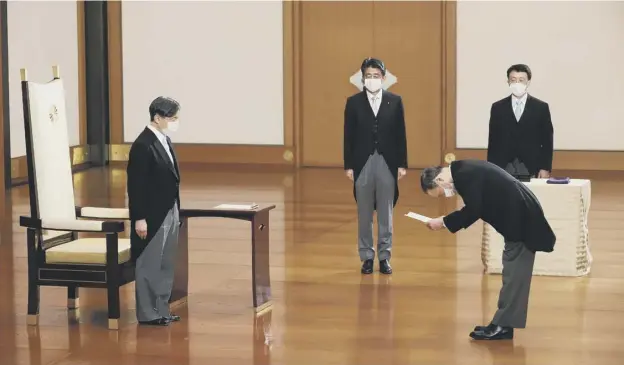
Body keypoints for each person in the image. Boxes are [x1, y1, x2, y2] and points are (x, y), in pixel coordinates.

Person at [419, 159, 556, 340]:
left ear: (439, 180)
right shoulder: (462, 169)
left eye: (440, 194)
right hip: (518, 218)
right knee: (512, 274)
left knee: (515, 277)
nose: (446, 195)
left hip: (522, 222)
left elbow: (474, 210)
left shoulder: (463, 175)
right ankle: (503, 324)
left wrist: (443, 222)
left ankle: (503, 326)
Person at [343, 57, 408, 275]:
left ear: (383, 77)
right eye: (368, 76)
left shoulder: (395, 100)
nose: (372, 79)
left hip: (387, 162)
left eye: (376, 75)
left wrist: (402, 163)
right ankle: (367, 256)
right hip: (363, 162)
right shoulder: (353, 103)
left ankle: (385, 256)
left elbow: (401, 134)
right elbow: (348, 136)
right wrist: (349, 165)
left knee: (385, 213)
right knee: (364, 213)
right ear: (362, 78)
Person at [127, 96, 182, 326]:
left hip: (170, 209)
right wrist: (139, 218)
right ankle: (148, 313)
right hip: (152, 215)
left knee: (165, 263)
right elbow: (136, 185)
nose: (175, 122)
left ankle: (162, 308)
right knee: (149, 264)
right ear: (157, 117)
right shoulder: (143, 145)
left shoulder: (164, 140)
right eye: (172, 117)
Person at [486, 64, 554, 179]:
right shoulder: (497, 107)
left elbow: (547, 140)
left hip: (532, 165)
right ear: (508, 81)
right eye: (513, 80)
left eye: (521, 80)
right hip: (503, 165)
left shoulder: (540, 107)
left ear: (528, 82)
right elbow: (493, 140)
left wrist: (545, 167)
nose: (517, 83)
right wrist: (491, 167)